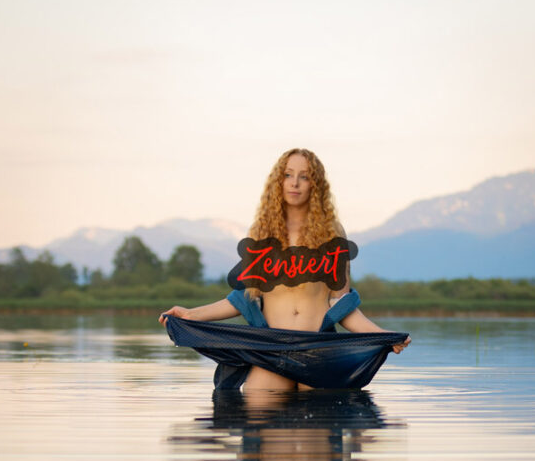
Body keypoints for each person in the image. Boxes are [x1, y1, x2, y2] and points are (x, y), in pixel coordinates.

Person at [158, 148, 411, 390]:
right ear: (277, 182)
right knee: (257, 399)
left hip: (317, 353)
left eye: (304, 177)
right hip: (270, 350)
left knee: (320, 413)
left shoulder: (332, 233)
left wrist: (383, 335)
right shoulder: (261, 234)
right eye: (288, 175)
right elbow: (244, 299)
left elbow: (340, 304)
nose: (295, 183)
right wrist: (190, 315)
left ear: (316, 185)